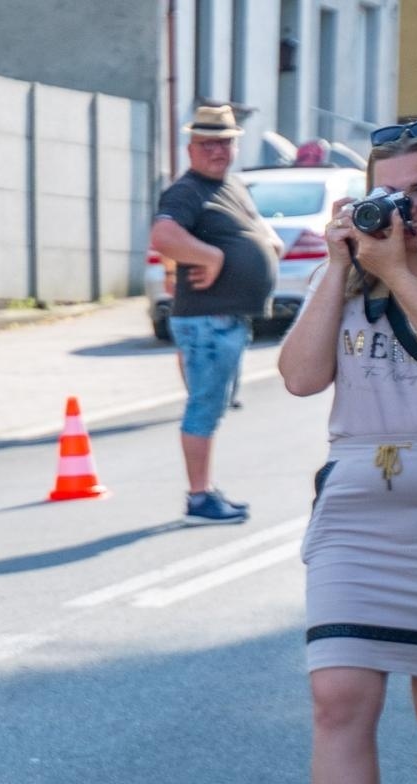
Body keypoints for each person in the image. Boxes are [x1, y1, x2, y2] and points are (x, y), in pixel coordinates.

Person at [269, 116, 417, 784]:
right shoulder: (355, 272)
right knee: (338, 698)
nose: (406, 208)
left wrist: (398, 273)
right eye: (392, 190)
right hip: (356, 513)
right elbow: (302, 376)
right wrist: (341, 265)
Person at [149, 103, 280, 525]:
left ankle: (204, 491)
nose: (217, 151)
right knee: (204, 407)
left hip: (224, 319)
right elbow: (163, 234)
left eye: (225, 142)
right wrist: (213, 257)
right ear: (191, 149)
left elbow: (261, 232)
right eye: (208, 143)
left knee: (212, 405)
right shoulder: (187, 190)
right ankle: (199, 498)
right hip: (208, 319)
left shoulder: (229, 186)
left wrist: (265, 247)